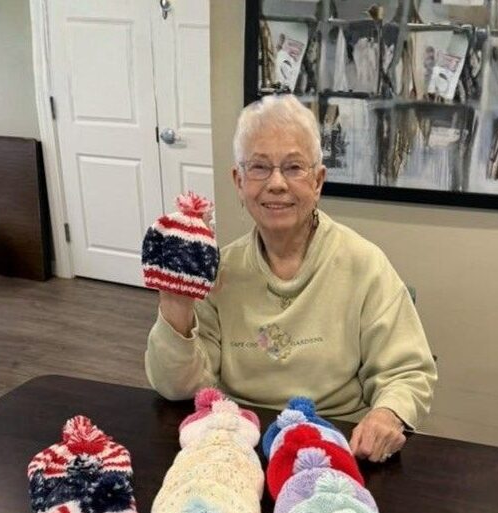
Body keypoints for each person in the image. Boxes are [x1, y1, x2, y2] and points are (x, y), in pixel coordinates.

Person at [145, 94, 437, 462]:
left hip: (334, 441)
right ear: (238, 181)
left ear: (318, 181)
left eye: (294, 167)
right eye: (259, 167)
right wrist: (176, 299)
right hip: (238, 439)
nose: (277, 183)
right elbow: (176, 389)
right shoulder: (219, 270)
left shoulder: (364, 264)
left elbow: (408, 371)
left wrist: (385, 414)